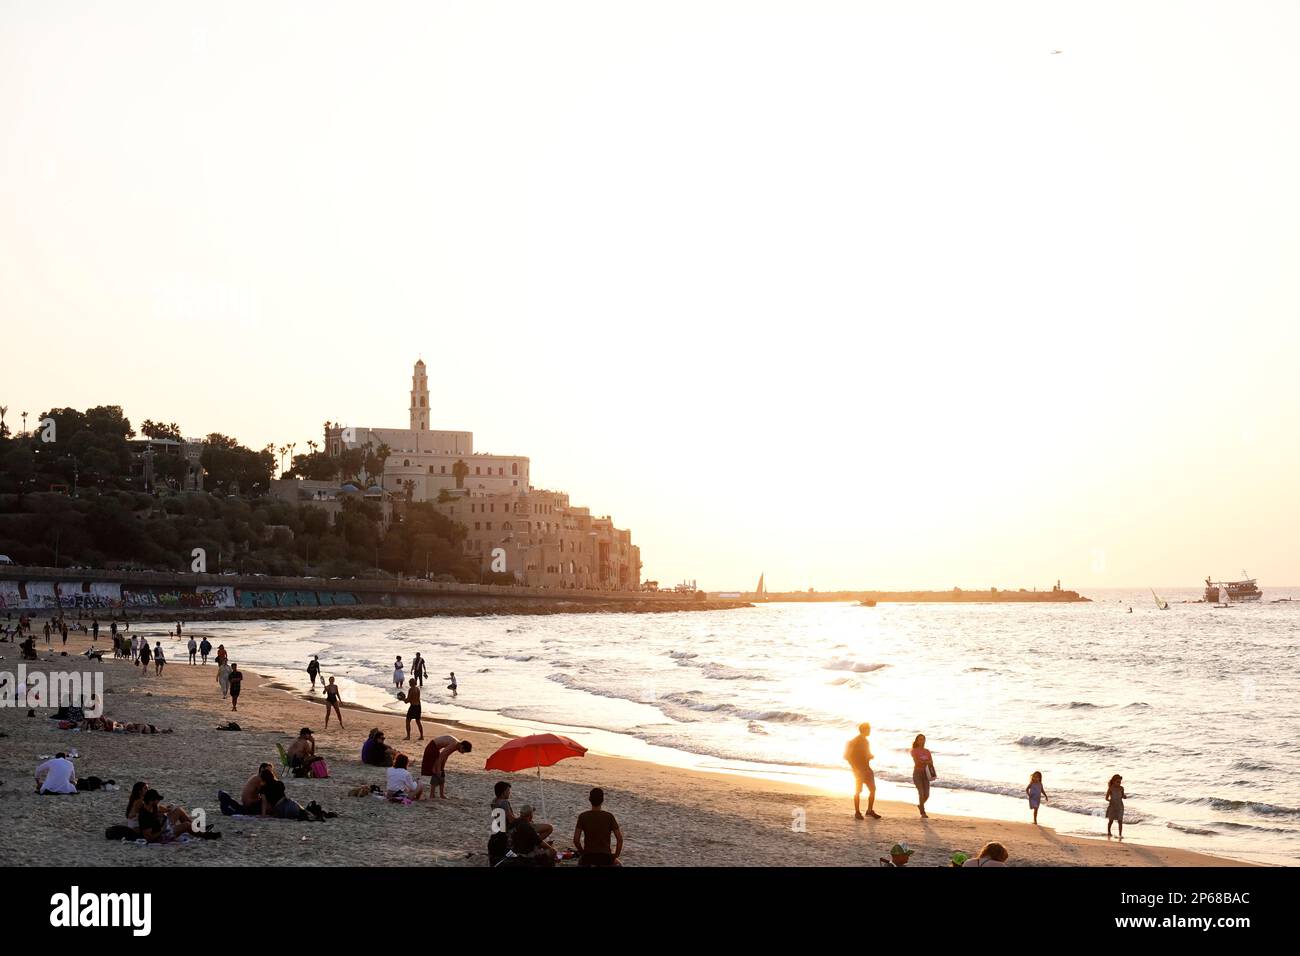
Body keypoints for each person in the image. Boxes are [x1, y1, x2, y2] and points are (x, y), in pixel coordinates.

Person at [574, 787, 623, 866]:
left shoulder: (583, 816)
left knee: (579, 863)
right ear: (602, 800)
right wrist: (615, 856)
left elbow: (576, 840)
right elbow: (619, 839)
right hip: (605, 857)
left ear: (589, 799)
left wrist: (582, 852)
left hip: (588, 856)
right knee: (619, 865)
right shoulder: (609, 816)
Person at [845, 722, 881, 820]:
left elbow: (865, 755)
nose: (870, 731)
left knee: (872, 790)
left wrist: (870, 756)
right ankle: (857, 812)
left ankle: (869, 811)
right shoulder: (856, 741)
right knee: (858, 791)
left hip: (866, 769)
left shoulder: (864, 741)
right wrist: (855, 768)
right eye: (868, 729)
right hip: (859, 770)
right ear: (864, 730)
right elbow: (847, 756)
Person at [910, 733, 936, 818]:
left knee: (927, 795)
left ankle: (920, 805)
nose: (922, 741)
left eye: (923, 739)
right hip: (917, 774)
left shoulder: (927, 751)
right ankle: (922, 812)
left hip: (926, 774)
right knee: (921, 793)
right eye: (920, 739)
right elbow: (917, 762)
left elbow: (931, 762)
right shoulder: (914, 750)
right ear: (917, 741)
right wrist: (926, 762)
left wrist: (925, 762)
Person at [1106, 774, 1126, 839]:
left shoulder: (1121, 788)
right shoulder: (1111, 788)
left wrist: (1124, 796)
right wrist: (1110, 801)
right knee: (1111, 820)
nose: (1119, 783)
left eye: (1120, 782)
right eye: (1117, 782)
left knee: (1120, 821)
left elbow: (1123, 795)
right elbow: (1106, 798)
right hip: (1112, 806)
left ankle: (1120, 834)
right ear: (1114, 781)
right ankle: (1109, 832)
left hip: (1120, 806)